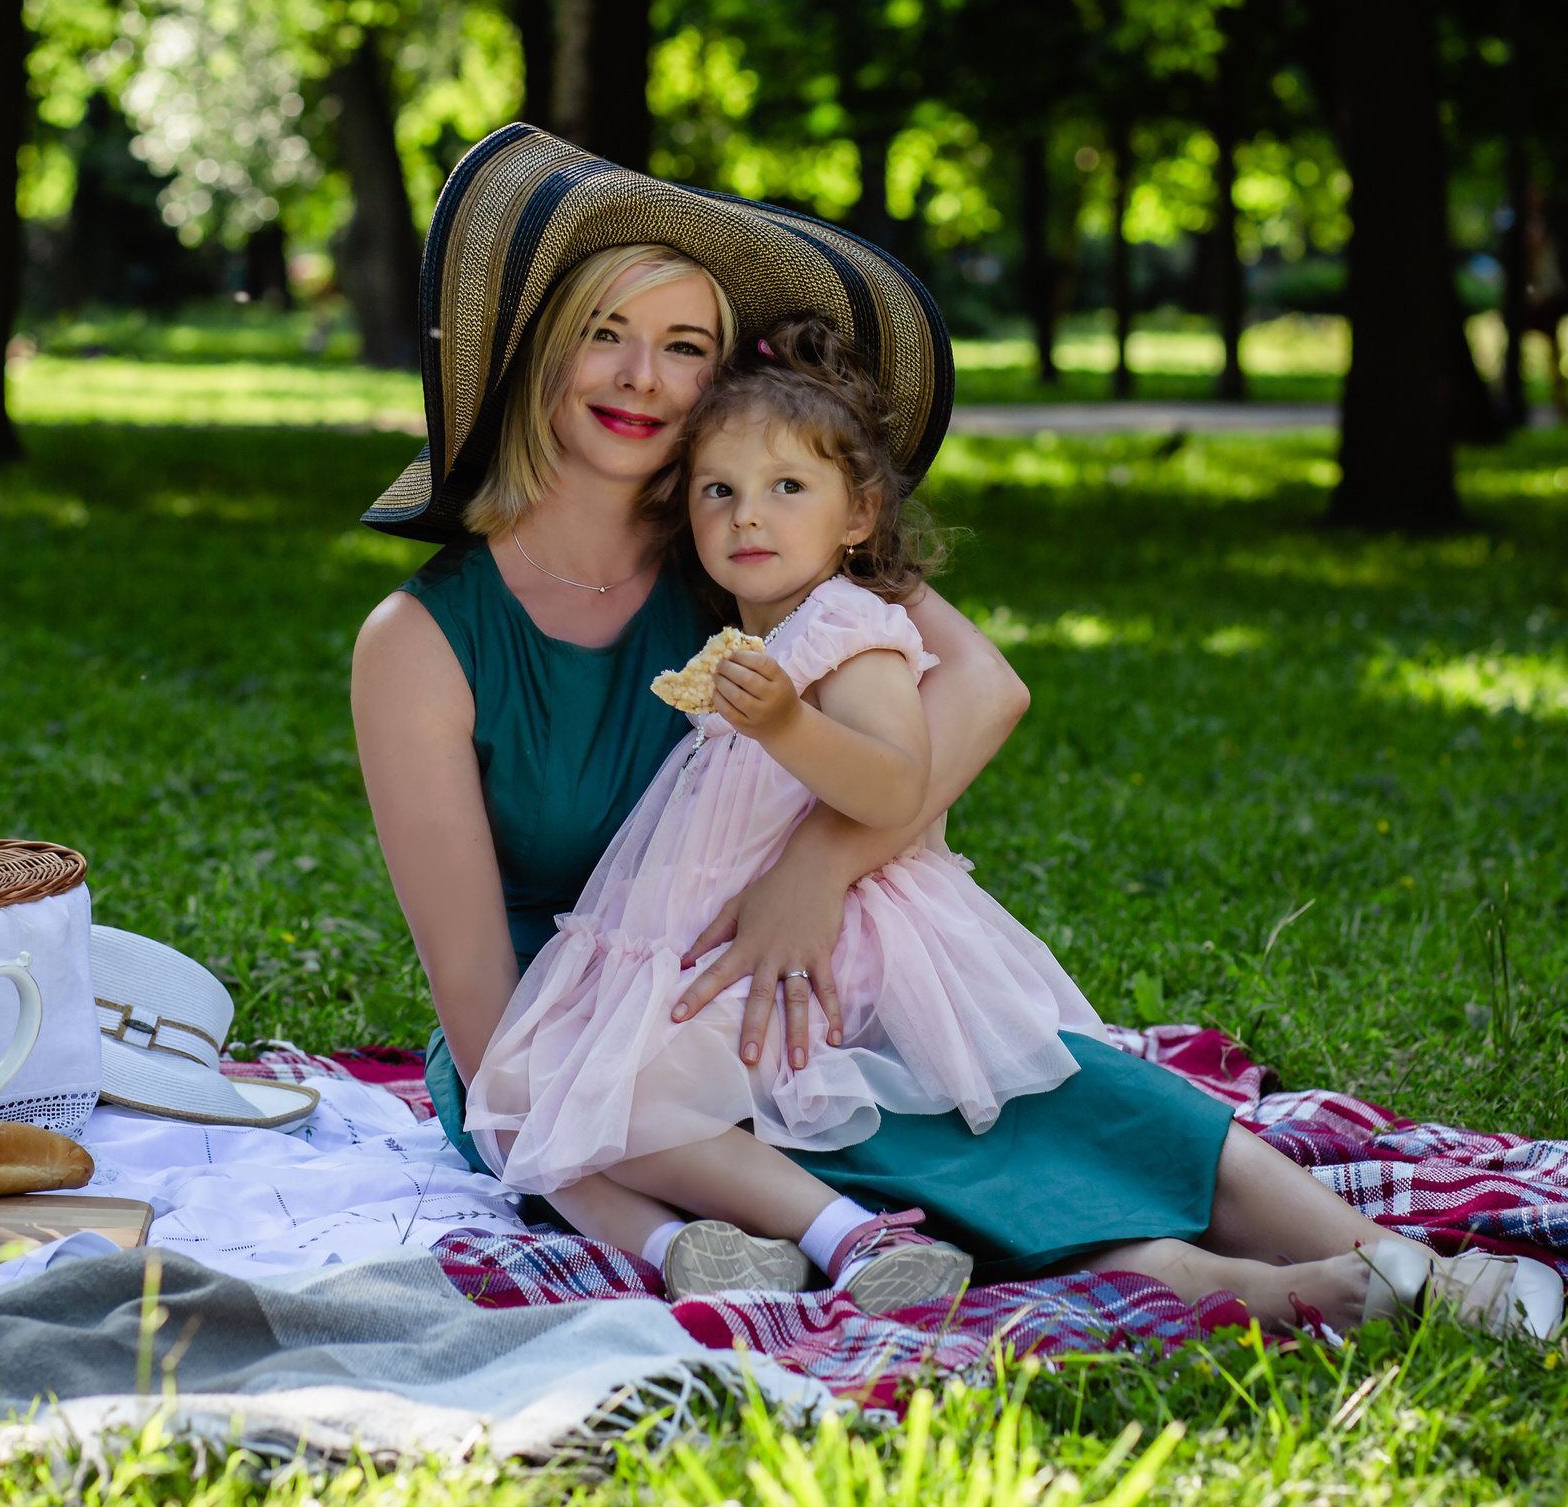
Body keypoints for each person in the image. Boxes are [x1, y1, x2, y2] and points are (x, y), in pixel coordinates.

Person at [352, 124, 1561, 1339]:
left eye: (685, 347)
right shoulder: (420, 643)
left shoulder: (749, 542)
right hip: (587, 1036)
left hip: (805, 952)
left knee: (1037, 1082)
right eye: (602, 336)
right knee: (882, 1145)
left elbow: (983, 688)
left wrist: (813, 875)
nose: (641, 379)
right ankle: (1251, 1294)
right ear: (536, 355)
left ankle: (1403, 1263)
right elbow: (487, 1023)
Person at [465, 316, 1113, 1312]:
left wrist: (782, 725)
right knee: (529, 1094)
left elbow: (896, 784)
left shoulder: (851, 627)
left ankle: (845, 1235)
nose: (746, 518)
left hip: (824, 950)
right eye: (718, 492)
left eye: (786, 490)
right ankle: (697, 1246)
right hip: (724, 945)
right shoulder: (759, 636)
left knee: (600, 1091)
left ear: (857, 517)